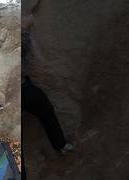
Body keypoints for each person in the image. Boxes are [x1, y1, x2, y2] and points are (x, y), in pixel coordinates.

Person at [23, 13, 73, 153]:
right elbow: (24, 46)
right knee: (45, 109)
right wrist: (26, 27)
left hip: (11, 94)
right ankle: (60, 145)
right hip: (23, 91)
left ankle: (60, 145)